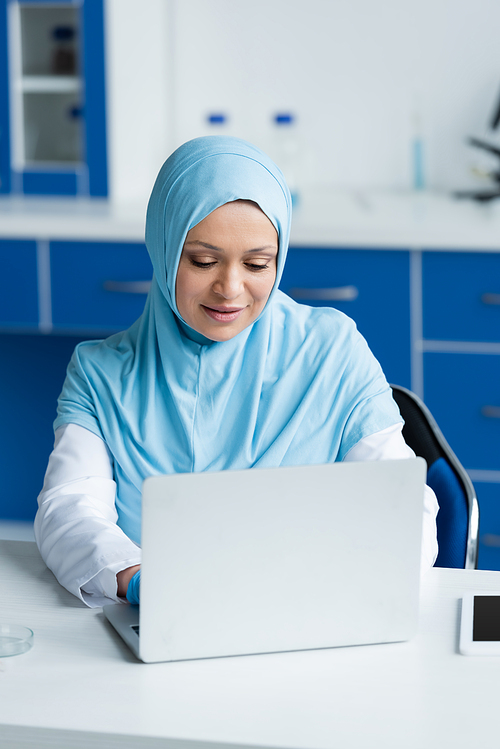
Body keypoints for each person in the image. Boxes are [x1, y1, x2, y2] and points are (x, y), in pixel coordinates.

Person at [35, 136, 438, 607]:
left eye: (257, 263)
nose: (230, 288)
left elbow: (400, 503)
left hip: (313, 613)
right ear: (164, 250)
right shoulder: (100, 374)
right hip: (163, 617)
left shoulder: (331, 351)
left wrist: (329, 582)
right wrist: (137, 578)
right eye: (203, 261)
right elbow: (70, 508)